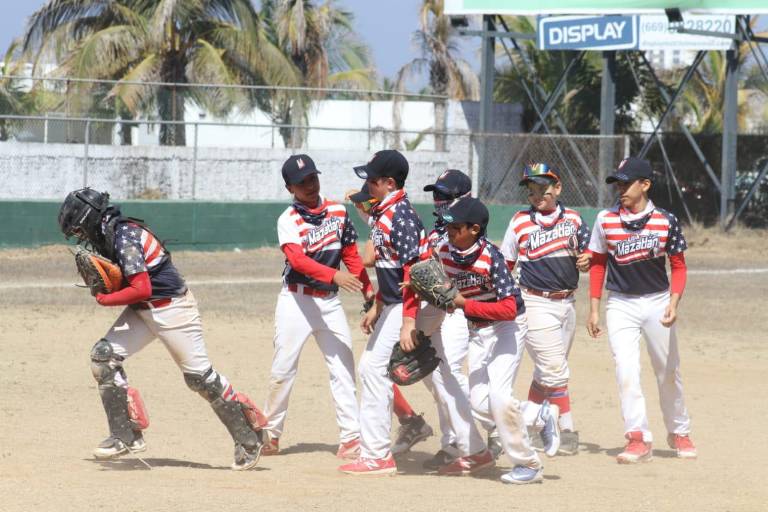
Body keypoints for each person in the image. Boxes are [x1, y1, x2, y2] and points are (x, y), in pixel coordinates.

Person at [57, 188, 263, 471]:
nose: (81, 236)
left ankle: (248, 438)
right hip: (145, 310)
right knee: (103, 356)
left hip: (173, 309)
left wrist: (106, 299)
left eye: (80, 228)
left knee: (200, 379)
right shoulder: (110, 234)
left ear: (91, 217)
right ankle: (125, 434)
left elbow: (142, 286)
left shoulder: (123, 235)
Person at [436, 197, 558, 484]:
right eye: (448, 225)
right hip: (479, 331)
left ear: (475, 229)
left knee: (499, 395)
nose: (449, 230)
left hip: (508, 328)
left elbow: (509, 309)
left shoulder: (492, 258)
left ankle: (528, 465)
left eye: (456, 227)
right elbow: (441, 284)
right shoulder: (443, 249)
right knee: (478, 402)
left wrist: (464, 304)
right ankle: (538, 414)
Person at [586, 157, 697, 464]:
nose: (620, 189)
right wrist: (594, 309)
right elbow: (597, 264)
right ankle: (638, 437)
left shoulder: (666, 220)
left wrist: (673, 303)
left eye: (626, 183)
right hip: (620, 303)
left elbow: (678, 265)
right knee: (626, 369)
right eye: (617, 184)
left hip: (657, 301)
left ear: (645, 185)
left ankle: (679, 430)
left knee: (667, 370)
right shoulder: (605, 219)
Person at [263, 154, 374, 460]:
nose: (310, 185)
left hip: (328, 301)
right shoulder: (287, 219)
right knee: (283, 369)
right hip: (296, 301)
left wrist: (368, 292)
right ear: (290, 188)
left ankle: (351, 437)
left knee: (343, 367)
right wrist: (335, 275)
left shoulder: (337, 210)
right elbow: (297, 260)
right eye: (302, 182)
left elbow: (351, 253)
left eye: (313, 178)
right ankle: (271, 433)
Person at [338, 149, 431, 475]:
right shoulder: (385, 213)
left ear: (389, 183)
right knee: (376, 369)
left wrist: (407, 322)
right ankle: (378, 450)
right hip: (393, 305)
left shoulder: (399, 216)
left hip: (407, 307)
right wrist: (378, 304)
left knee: (373, 369)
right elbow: (390, 270)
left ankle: (377, 456)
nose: (367, 186)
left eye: (372, 180)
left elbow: (413, 271)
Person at [500, 163, 591, 455]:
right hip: (534, 301)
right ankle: (565, 430)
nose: (537, 194)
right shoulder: (519, 222)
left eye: (543, 188)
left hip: (567, 303)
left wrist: (587, 259)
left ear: (558, 188)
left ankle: (531, 430)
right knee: (555, 370)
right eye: (531, 190)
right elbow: (505, 265)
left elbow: (589, 252)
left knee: (546, 371)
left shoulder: (574, 220)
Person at [421, 170, 502, 470]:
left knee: (449, 371)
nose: (438, 201)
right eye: (436, 195)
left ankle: (489, 428)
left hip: (463, 306)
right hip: (440, 306)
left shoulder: (467, 229)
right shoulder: (435, 233)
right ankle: (455, 439)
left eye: (445, 195)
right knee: (437, 374)